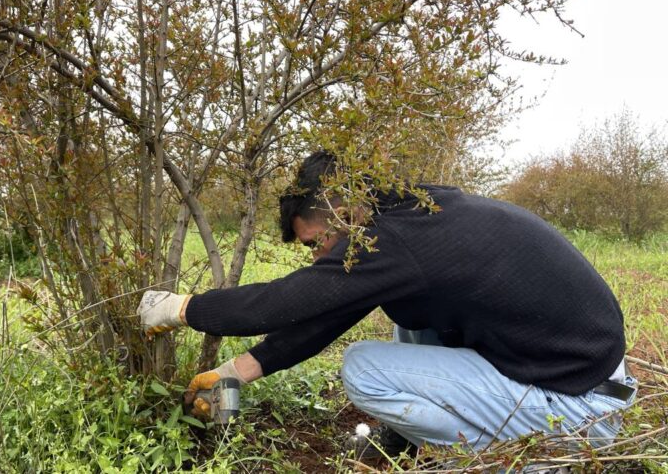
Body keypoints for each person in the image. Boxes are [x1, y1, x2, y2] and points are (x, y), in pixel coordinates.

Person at [137, 151, 636, 457]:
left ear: (342, 208)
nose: (318, 258)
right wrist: (235, 373)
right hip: (583, 377)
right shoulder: (413, 213)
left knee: (363, 367)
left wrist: (178, 308)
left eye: (316, 243)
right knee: (410, 324)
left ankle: (499, 457)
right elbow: (330, 312)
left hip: (576, 410)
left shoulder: (396, 239)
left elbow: (274, 304)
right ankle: (414, 440)